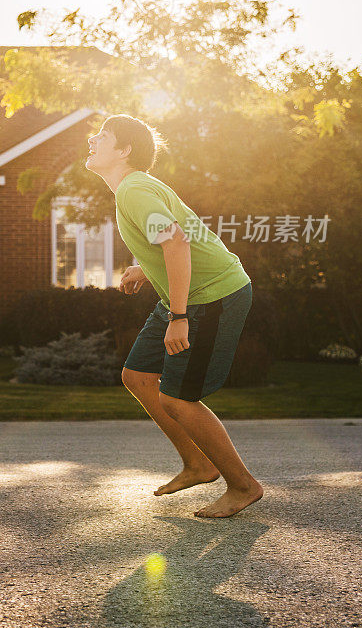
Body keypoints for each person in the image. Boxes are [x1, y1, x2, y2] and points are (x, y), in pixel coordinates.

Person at [85, 114, 263, 518]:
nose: (92, 141)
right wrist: (146, 269)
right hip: (183, 297)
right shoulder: (134, 189)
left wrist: (179, 316)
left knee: (179, 398)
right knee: (138, 376)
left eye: (103, 136)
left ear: (124, 150)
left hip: (212, 296)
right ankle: (198, 464)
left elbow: (178, 242)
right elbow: (181, 235)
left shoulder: (133, 189)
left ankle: (243, 486)